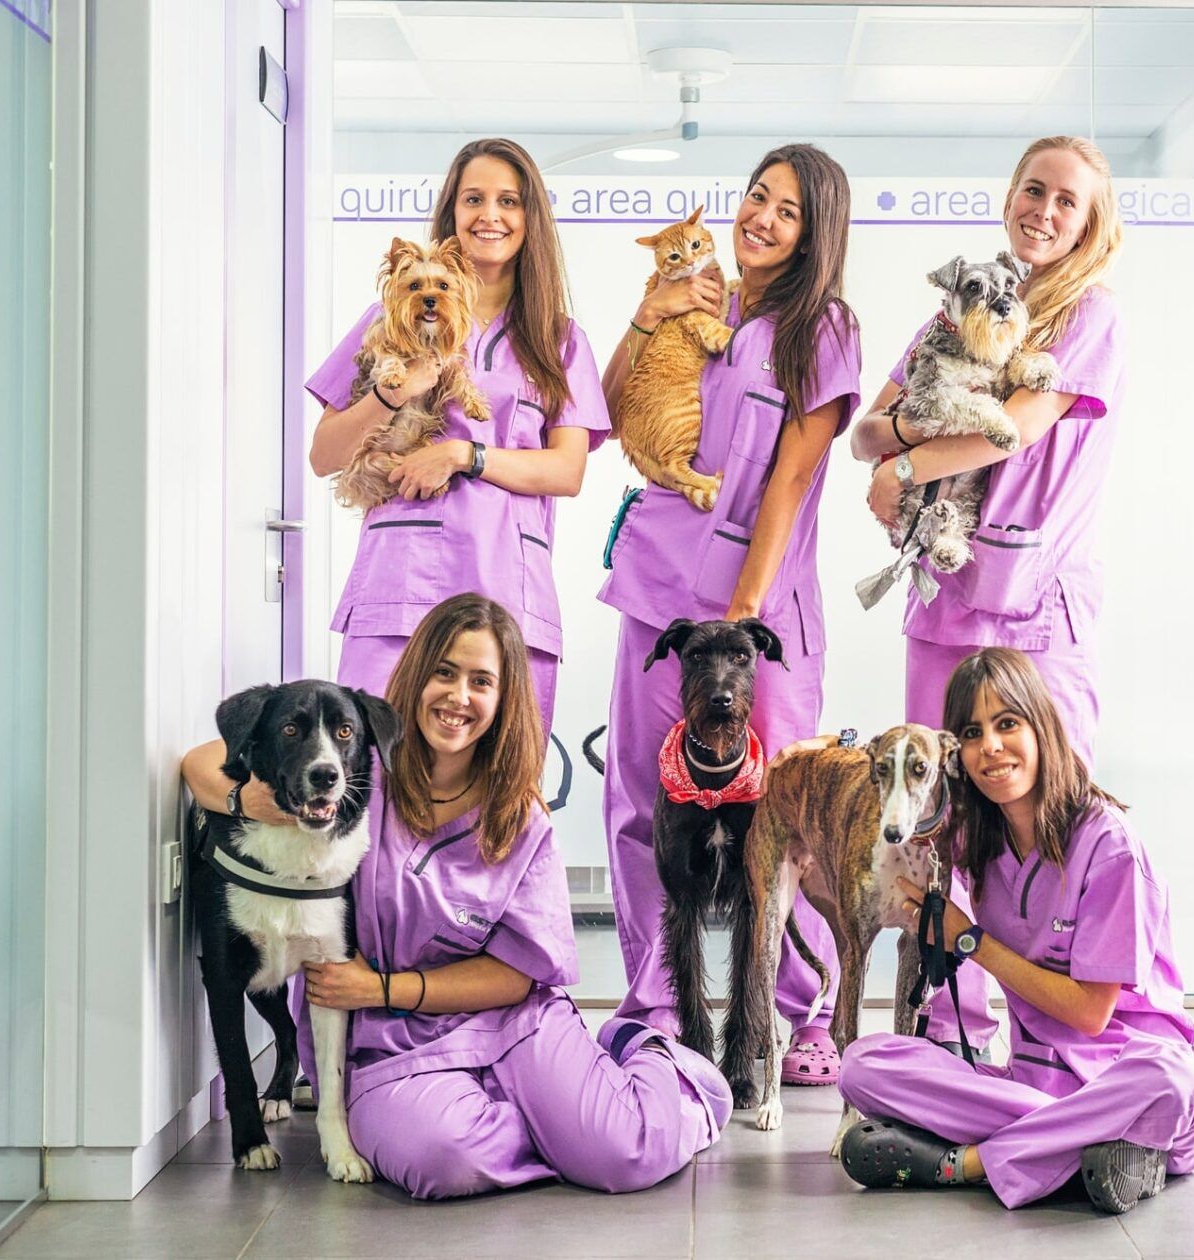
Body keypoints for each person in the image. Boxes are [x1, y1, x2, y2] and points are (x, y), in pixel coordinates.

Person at [182, 594, 731, 1200]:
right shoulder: (358, 775)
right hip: (388, 1043)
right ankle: (549, 1125)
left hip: (510, 1023)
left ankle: (644, 1055)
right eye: (444, 672)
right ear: (417, 676)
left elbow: (520, 978)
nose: (458, 696)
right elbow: (200, 763)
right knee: (442, 1161)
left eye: (481, 681)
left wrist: (382, 987)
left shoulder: (519, 818)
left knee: (625, 1153)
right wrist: (252, 801)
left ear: (502, 701)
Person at [849, 135, 1127, 1054]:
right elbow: (863, 432)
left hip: (1040, 607)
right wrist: (889, 451)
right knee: (935, 821)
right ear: (1009, 195)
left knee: (1047, 823)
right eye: (1032, 190)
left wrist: (906, 461)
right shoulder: (954, 307)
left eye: (1066, 202)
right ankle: (943, 1032)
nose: (1044, 211)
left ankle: (1062, 1042)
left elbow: (1013, 429)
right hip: (946, 597)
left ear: (1089, 225)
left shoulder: (1087, 317)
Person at [595, 144, 862, 1084]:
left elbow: (794, 472)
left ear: (815, 230)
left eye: (787, 209)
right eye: (756, 196)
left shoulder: (822, 326)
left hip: (759, 615)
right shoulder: (702, 301)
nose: (761, 217)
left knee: (782, 818)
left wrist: (745, 611)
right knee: (637, 800)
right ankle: (657, 1006)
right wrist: (646, 313)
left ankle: (797, 1014)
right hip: (658, 592)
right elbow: (610, 405)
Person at [835, 647, 1194, 1214]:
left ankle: (969, 1163)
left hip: (1130, 1078)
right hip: (1037, 1085)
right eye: (972, 731)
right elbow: (916, 810)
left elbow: (1090, 1015)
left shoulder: (1108, 845)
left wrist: (971, 942)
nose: (991, 746)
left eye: (1007, 723)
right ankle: (1097, 1152)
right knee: (866, 1064)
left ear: (1041, 725)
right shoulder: (978, 847)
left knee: (1171, 1081)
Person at [308, 138, 609, 728]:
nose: (490, 216)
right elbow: (324, 455)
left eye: (509, 201)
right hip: (401, 577)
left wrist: (462, 454)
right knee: (376, 773)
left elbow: (565, 471)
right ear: (453, 211)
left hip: (508, 580)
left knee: (501, 786)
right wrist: (393, 393)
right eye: (474, 199)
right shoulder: (387, 318)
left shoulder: (559, 338)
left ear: (531, 219)